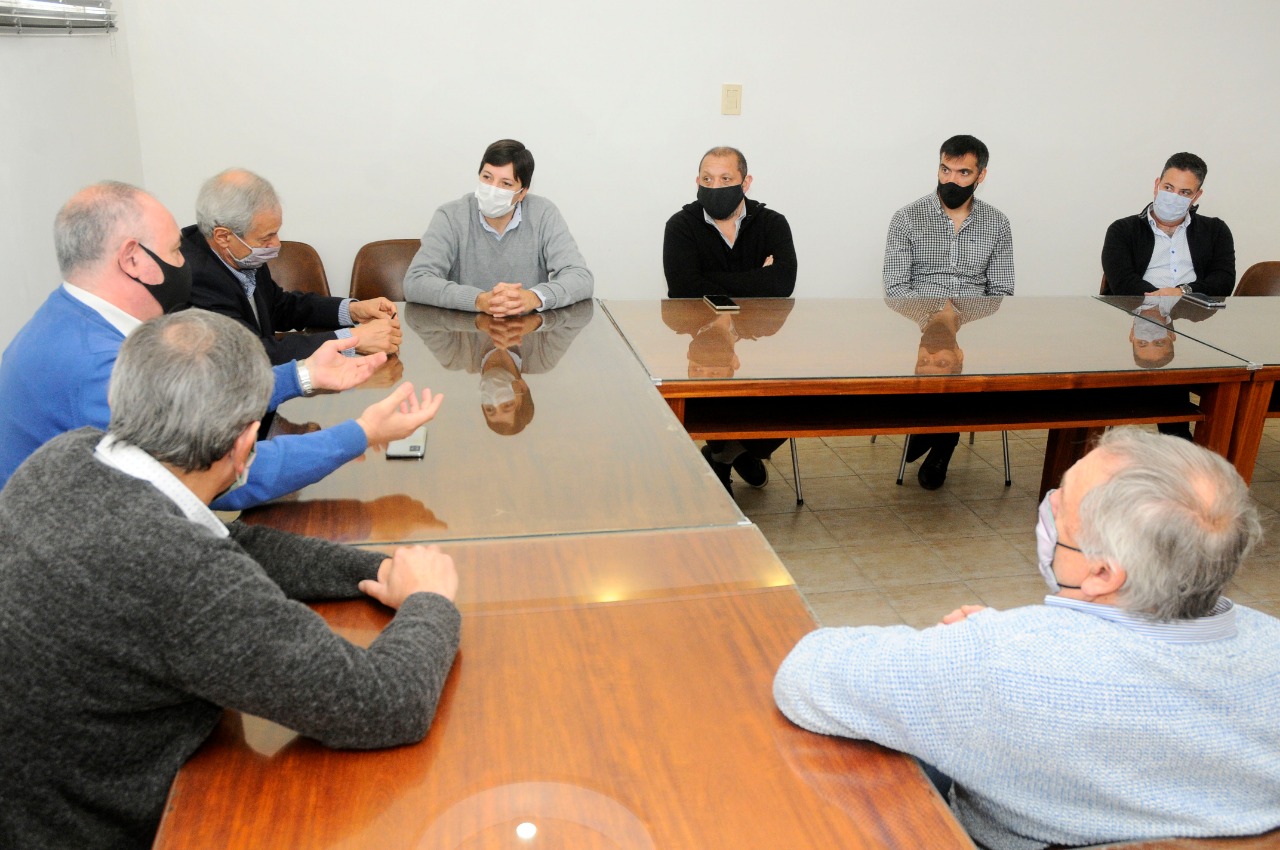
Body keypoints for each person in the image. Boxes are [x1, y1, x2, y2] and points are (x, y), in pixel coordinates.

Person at [0, 309, 457, 850]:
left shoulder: (67, 455)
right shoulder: (179, 573)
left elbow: (228, 541)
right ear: (244, 445)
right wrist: (429, 599)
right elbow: (386, 703)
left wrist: (374, 570)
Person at [774, 428, 1280, 849]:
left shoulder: (996, 661)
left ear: (1102, 573)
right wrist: (1016, 640)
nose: (1049, 503)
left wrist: (975, 647)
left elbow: (806, 674)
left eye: (1062, 504)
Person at [0, 181, 436, 510]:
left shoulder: (75, 320)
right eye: (175, 251)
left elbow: (196, 404)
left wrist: (301, 376)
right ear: (133, 259)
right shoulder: (97, 366)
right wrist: (361, 434)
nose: (184, 263)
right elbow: (220, 473)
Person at [662, 146, 798, 492]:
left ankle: (726, 454)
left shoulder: (773, 223)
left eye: (726, 179)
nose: (715, 186)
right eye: (707, 179)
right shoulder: (680, 226)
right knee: (707, 381)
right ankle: (732, 451)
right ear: (697, 182)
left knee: (796, 397)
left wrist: (709, 281)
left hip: (762, 342)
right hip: (699, 337)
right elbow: (683, 288)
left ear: (745, 182)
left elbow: (782, 284)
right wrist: (758, 278)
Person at [883, 134, 1014, 490]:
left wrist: (958, 315)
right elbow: (895, 288)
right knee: (936, 358)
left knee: (967, 361)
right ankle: (939, 437)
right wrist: (935, 313)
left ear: (981, 175)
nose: (950, 180)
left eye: (963, 173)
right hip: (915, 323)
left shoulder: (998, 223)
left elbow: (1002, 292)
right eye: (945, 170)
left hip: (976, 324)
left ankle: (936, 438)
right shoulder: (907, 218)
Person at [183, 168, 402, 365]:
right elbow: (251, 355)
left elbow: (279, 307)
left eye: (276, 232)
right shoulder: (197, 278)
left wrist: (354, 310)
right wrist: (352, 340)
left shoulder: (239, 255)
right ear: (223, 237)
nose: (276, 244)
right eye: (266, 237)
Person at [403, 139, 593, 316]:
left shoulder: (543, 214)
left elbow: (580, 277)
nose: (493, 189)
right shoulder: (450, 216)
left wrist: (534, 297)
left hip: (528, 333)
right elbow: (416, 281)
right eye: (487, 177)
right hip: (465, 331)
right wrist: (478, 300)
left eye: (506, 183)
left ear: (522, 192)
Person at [1100, 152, 1235, 298]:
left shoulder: (1216, 231)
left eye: (1184, 192)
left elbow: (1224, 282)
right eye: (1168, 188)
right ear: (1157, 185)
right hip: (1138, 308)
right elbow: (1122, 282)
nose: (1173, 197)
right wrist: (1161, 298)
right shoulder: (1122, 230)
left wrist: (1183, 292)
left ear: (1196, 196)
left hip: (1193, 309)